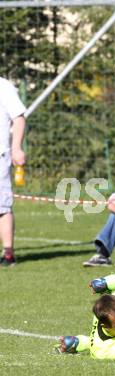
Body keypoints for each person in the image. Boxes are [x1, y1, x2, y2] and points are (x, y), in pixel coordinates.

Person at [0, 77, 26, 267]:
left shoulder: (4, 86)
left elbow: (18, 118)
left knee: (2, 206)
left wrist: (16, 148)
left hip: (0, 154)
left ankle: (8, 253)